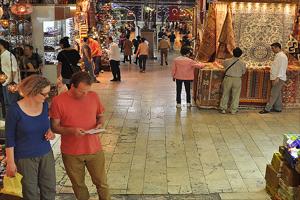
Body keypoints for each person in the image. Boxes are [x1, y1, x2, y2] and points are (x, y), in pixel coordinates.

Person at [50, 72, 111, 200]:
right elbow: (54, 127)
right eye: (82, 91)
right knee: (78, 185)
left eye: (87, 91)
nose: (85, 95)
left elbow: (100, 115)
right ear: (72, 86)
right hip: (71, 152)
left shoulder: (93, 96)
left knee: (102, 183)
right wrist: (71, 131)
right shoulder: (58, 101)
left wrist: (100, 124)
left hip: (94, 149)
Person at [5, 75, 56, 200]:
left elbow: (45, 126)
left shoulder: (44, 106)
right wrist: (10, 162)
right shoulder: (14, 110)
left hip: (46, 154)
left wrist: (50, 132)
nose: (47, 96)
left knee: (49, 188)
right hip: (24, 158)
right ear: (33, 92)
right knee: (30, 192)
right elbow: (9, 138)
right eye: (44, 94)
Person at [259, 42, 288, 114]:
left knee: (273, 93)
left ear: (277, 47)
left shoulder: (282, 56)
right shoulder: (278, 55)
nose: (272, 50)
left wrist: (277, 78)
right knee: (277, 94)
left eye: (273, 48)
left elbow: (282, 68)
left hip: (278, 78)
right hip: (275, 77)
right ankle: (278, 108)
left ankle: (267, 109)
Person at [219, 47, 246, 114]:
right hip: (237, 79)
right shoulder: (242, 63)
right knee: (236, 95)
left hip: (228, 78)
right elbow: (243, 72)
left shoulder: (227, 61)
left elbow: (223, 66)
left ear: (233, 53)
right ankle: (233, 110)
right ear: (240, 54)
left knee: (225, 93)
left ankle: (223, 109)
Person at [0, 39, 20, 108]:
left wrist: (10, 82)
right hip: (5, 83)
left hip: (11, 83)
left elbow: (14, 70)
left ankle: (14, 118)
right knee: (7, 104)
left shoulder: (8, 55)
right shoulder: (2, 55)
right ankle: (9, 118)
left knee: (12, 104)